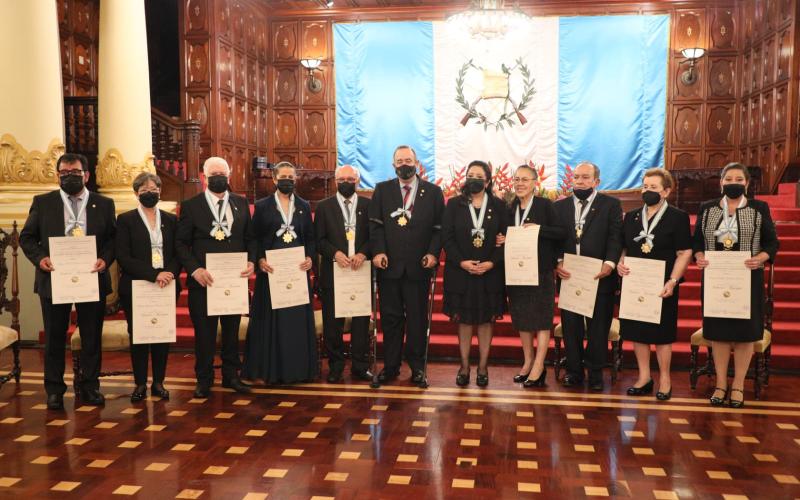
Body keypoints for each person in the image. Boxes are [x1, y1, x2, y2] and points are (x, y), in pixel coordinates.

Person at [20, 153, 116, 410]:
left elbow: (112, 240)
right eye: (64, 173)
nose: (69, 177)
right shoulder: (43, 202)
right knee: (53, 336)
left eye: (74, 173)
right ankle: (54, 390)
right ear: (57, 175)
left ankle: (89, 386)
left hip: (91, 277)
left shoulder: (104, 203)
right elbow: (27, 238)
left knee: (91, 336)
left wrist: (105, 260)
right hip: (54, 278)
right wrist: (40, 259)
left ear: (86, 175)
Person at [693, 162, 778, 408]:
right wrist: (699, 256)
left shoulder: (759, 208)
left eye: (738, 179)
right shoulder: (707, 208)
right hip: (715, 280)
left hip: (747, 280)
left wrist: (760, 258)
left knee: (744, 335)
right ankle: (721, 384)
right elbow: (697, 241)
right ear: (721, 182)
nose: (733, 183)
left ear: (747, 183)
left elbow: (771, 243)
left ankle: (738, 385)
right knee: (718, 334)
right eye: (728, 178)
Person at [175, 157, 256, 398]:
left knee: (231, 332)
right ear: (205, 178)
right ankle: (204, 378)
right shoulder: (191, 205)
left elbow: (250, 237)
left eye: (223, 173)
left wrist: (252, 260)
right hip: (204, 281)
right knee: (205, 334)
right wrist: (194, 269)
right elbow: (180, 243)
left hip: (234, 280)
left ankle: (232, 376)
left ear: (229, 177)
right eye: (214, 174)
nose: (219, 178)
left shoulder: (241, 203)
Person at [369, 145, 445, 385]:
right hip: (389, 267)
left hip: (418, 267)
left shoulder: (433, 192)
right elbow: (376, 226)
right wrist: (378, 251)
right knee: (390, 319)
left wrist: (433, 254)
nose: (404, 164)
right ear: (393, 165)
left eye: (408, 160)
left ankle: (417, 367)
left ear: (416, 162)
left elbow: (439, 229)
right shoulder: (382, 190)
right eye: (400, 161)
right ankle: (390, 367)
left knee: (417, 319)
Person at [617, 168, 691, 401]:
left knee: (662, 334)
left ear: (666, 191)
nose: (647, 191)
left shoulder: (677, 217)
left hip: (662, 285)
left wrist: (673, 281)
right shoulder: (632, 217)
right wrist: (620, 263)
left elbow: (684, 251)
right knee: (638, 332)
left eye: (653, 188)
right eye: (645, 187)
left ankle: (665, 378)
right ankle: (644, 376)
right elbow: (624, 247)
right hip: (635, 284)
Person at [243, 161, 317, 383]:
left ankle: (298, 371)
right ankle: (268, 371)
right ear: (274, 179)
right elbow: (254, 237)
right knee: (270, 324)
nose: (287, 181)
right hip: (271, 273)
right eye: (283, 177)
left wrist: (310, 258)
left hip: (296, 274)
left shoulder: (304, 206)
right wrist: (260, 259)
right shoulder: (263, 206)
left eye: (291, 177)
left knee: (294, 325)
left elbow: (311, 238)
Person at [553, 161, 623, 392]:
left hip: (599, 276)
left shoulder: (610, 205)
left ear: (596, 181)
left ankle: (595, 374)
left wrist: (610, 264)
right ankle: (573, 372)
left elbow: (615, 237)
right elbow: (554, 239)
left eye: (585, 178)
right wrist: (558, 262)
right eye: (576, 177)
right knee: (571, 327)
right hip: (569, 276)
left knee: (597, 329)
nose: (580, 182)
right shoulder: (559, 207)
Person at [116, 172, 181, 402]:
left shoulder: (171, 220)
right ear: (136, 193)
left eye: (154, 190)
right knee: (140, 335)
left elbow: (178, 253)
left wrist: (169, 273)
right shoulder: (125, 220)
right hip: (137, 286)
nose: (150, 193)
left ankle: (160, 382)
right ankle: (140, 383)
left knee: (161, 334)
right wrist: (155, 275)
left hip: (166, 285)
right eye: (144, 191)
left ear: (160, 192)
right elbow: (124, 257)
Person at [441, 161, 507, 387]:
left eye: (479, 175)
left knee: (487, 321)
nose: (474, 178)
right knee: (465, 321)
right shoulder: (453, 205)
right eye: (470, 175)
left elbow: (507, 240)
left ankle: (483, 367)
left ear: (487, 181)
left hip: (490, 273)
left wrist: (492, 262)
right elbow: (446, 238)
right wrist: (462, 262)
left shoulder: (499, 206)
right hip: (462, 273)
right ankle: (464, 366)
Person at [503, 164, 566, 388]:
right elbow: (504, 234)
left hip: (540, 270)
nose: (520, 183)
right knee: (522, 318)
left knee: (541, 319)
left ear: (534, 183)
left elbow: (560, 233)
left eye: (525, 180)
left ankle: (539, 365)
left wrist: (538, 228)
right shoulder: (510, 208)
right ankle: (528, 361)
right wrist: (503, 239)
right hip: (516, 271)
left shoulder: (545, 205)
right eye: (517, 179)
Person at [314, 165, 373, 383]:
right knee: (333, 324)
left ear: (357, 181)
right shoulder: (323, 207)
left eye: (350, 178)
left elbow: (373, 236)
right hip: (334, 271)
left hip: (360, 271)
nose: (346, 182)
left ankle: (359, 366)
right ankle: (336, 366)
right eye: (342, 179)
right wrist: (335, 253)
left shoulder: (368, 205)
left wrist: (363, 253)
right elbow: (318, 240)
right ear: (335, 181)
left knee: (360, 322)